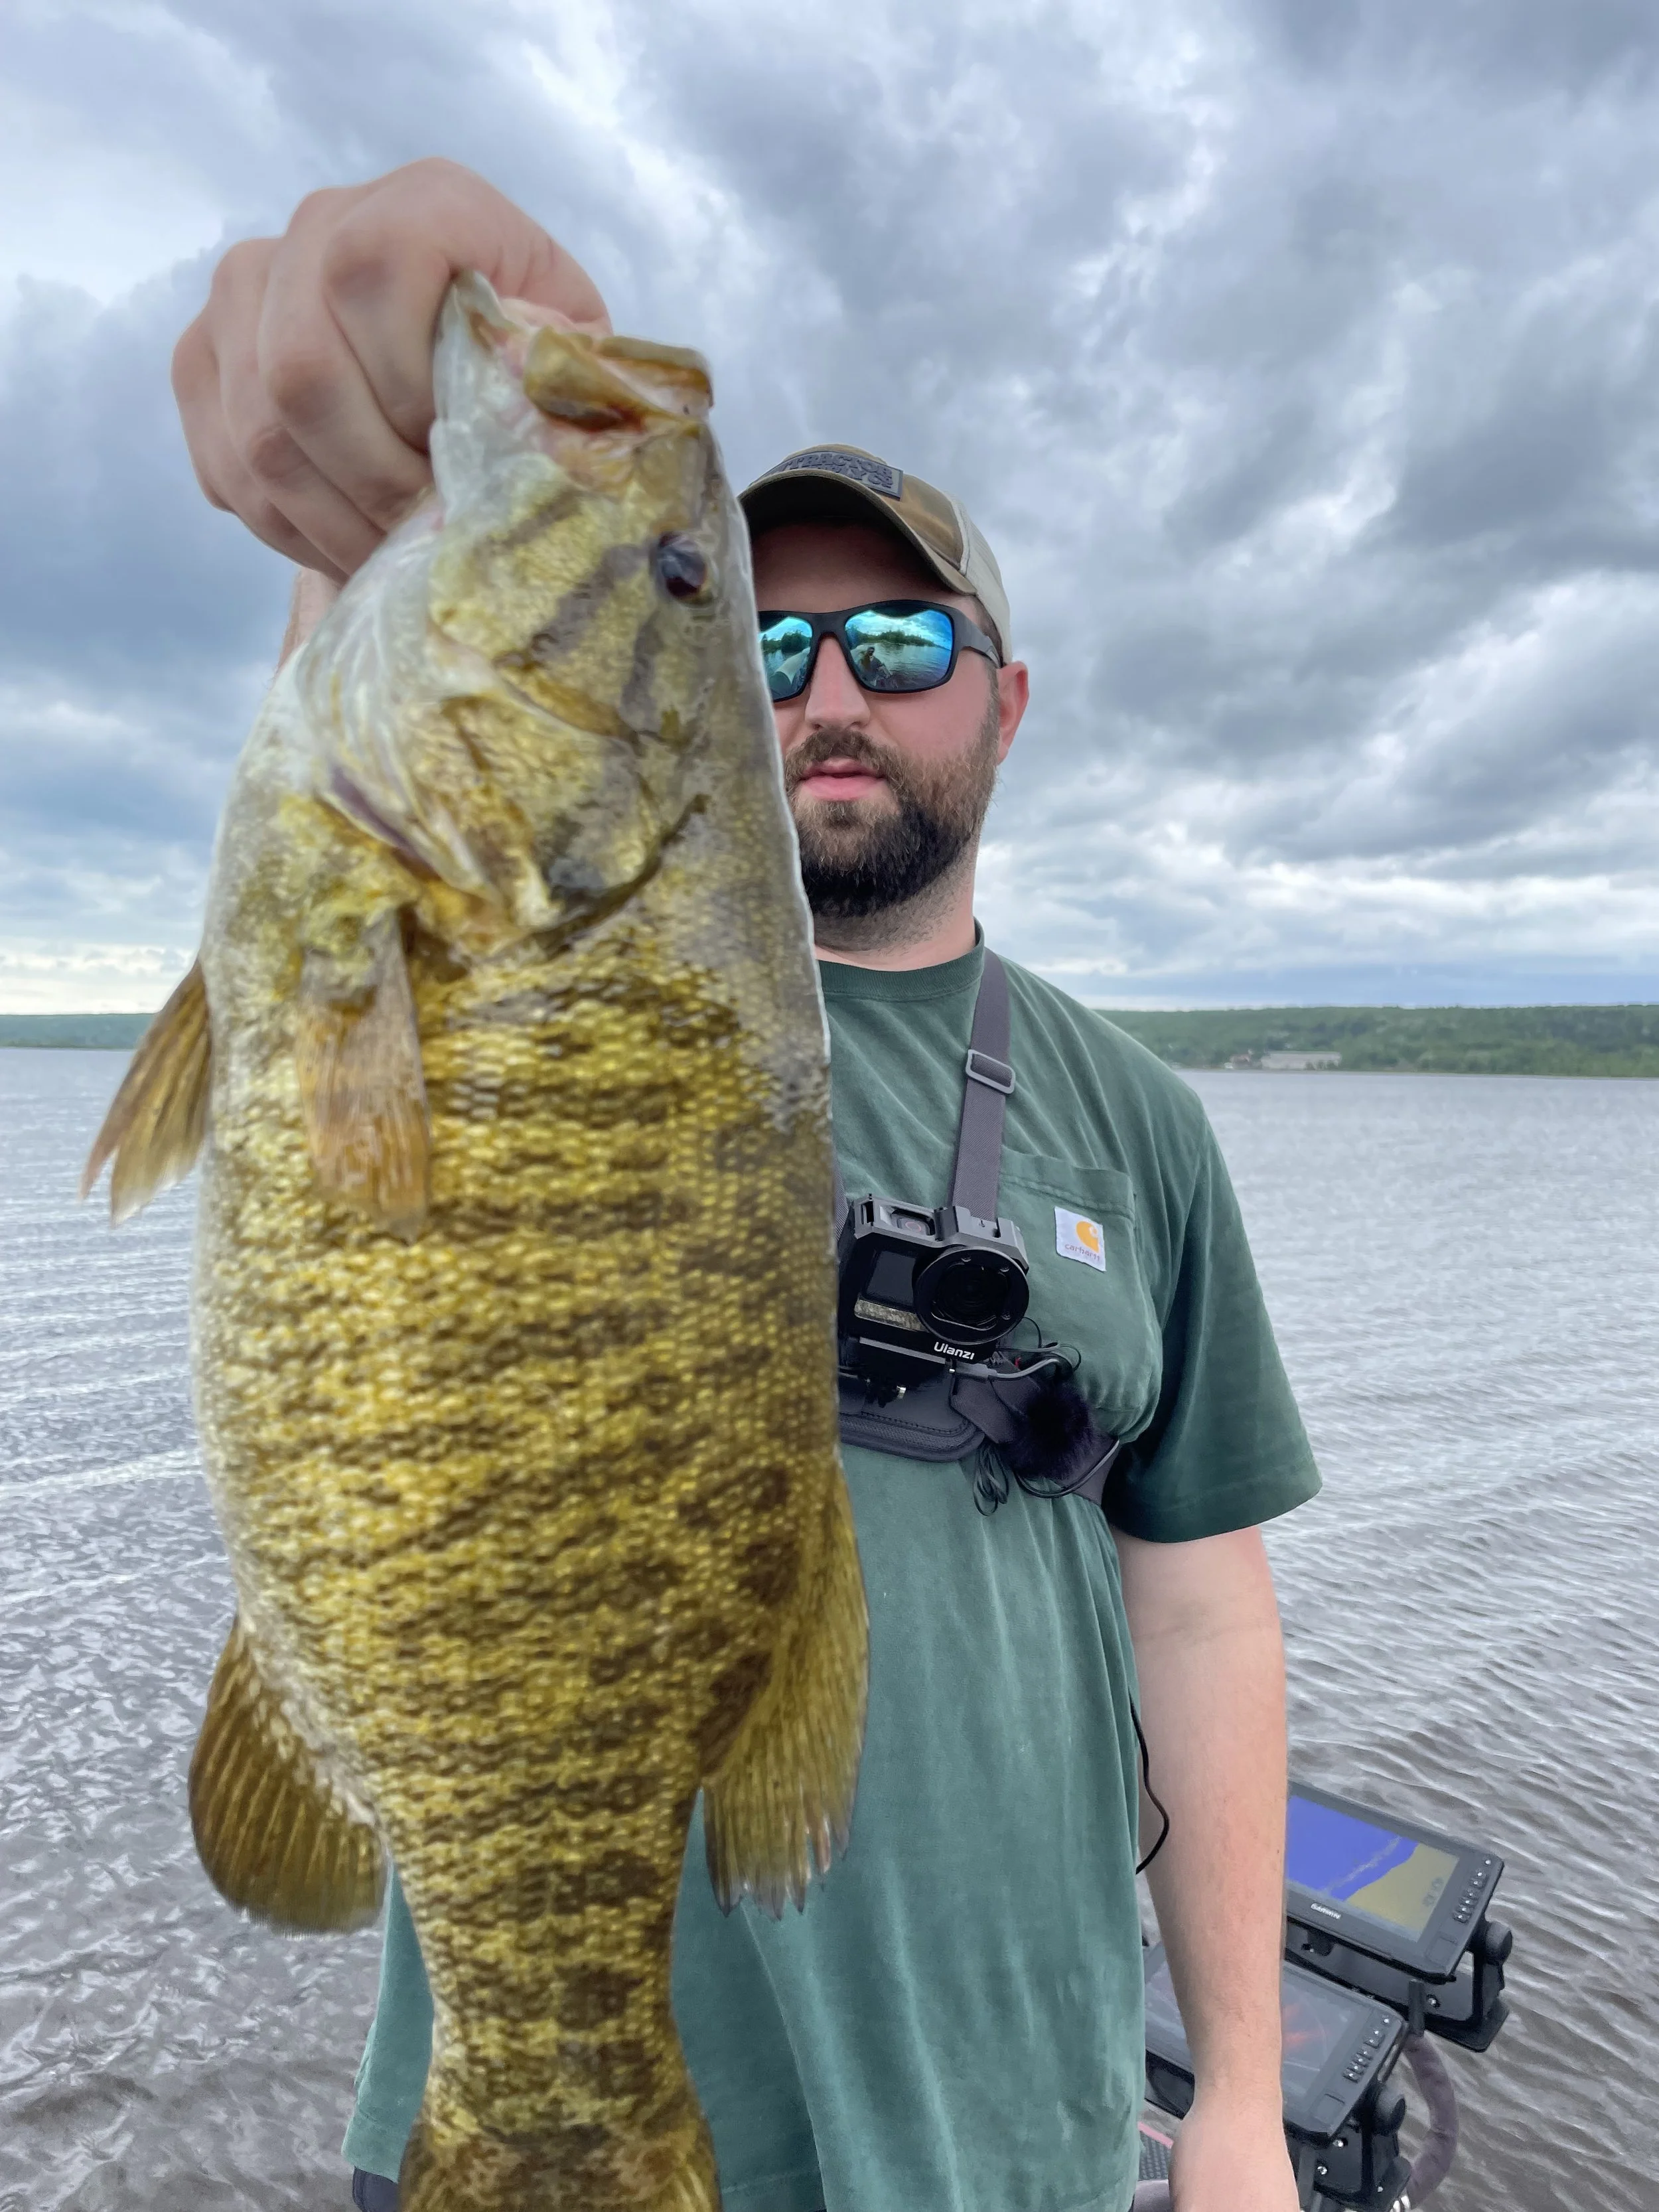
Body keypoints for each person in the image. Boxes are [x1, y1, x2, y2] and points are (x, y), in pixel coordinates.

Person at [175, 161, 1321, 2212]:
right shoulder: (435, 907)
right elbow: (388, 670)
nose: (825, 686)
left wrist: (1235, 2095)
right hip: (513, 2118)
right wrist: (441, 319)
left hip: (1004, 2143)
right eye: (758, 634)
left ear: (1005, 691)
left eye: (894, 636)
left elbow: (1203, 1608)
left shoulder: (1134, 1117)